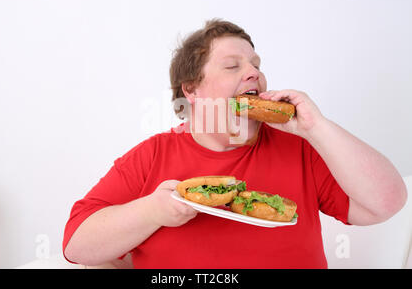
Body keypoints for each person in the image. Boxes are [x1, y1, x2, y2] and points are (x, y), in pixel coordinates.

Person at [63, 19, 407, 268]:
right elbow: (76, 245)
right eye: (232, 66)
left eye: (256, 64)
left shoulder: (300, 146)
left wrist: (317, 126)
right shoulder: (152, 155)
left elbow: (385, 204)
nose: (253, 72)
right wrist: (155, 210)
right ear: (191, 90)